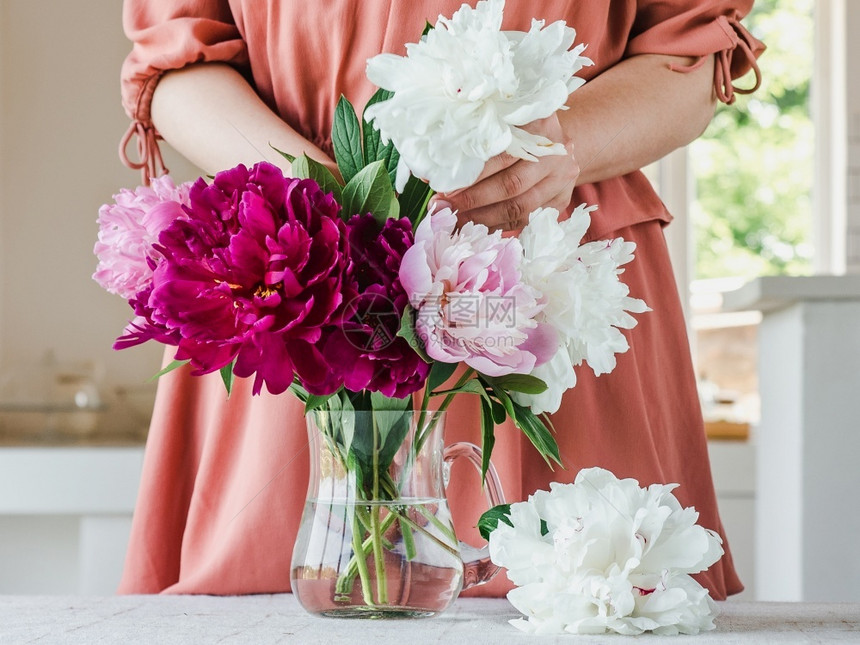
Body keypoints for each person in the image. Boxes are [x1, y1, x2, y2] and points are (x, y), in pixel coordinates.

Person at [117, 1, 763, 598]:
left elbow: (690, 54)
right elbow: (176, 62)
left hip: (560, 276)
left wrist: (564, 145)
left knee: (597, 601)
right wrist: (317, 204)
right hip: (294, 271)